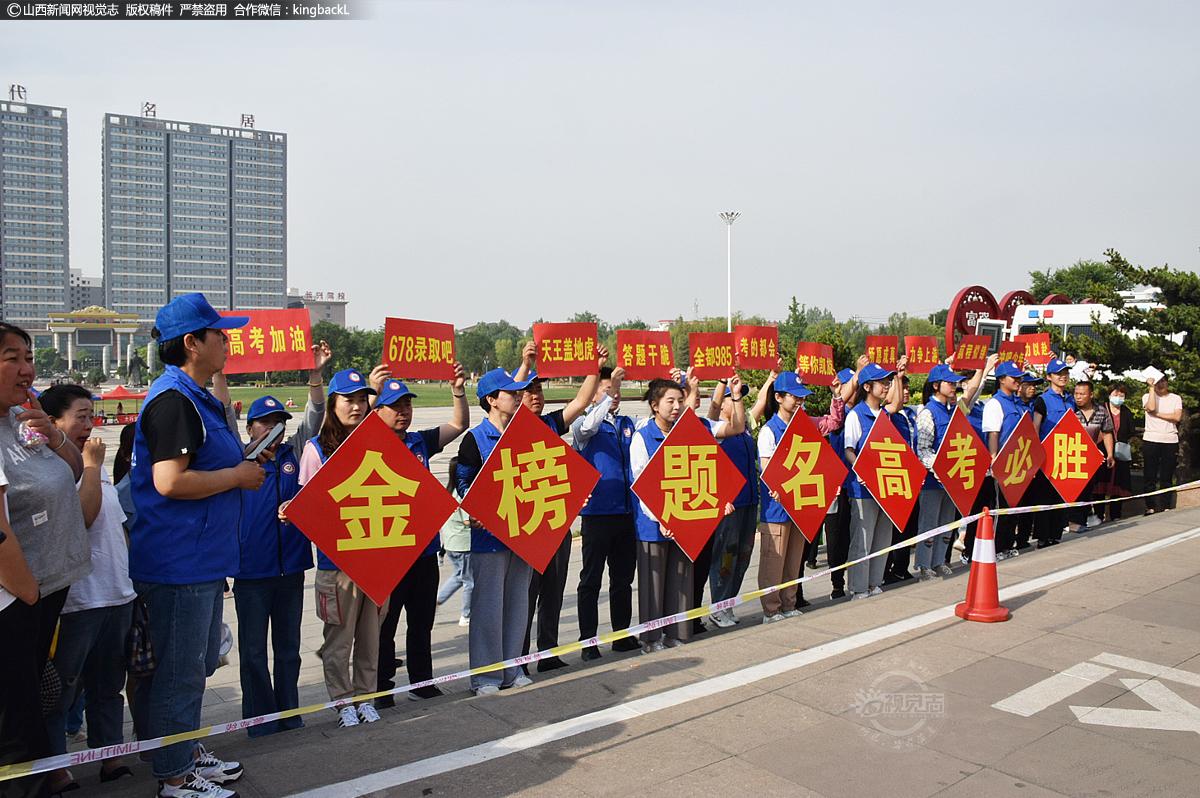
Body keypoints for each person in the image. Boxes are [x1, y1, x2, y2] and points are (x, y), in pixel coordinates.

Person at [129, 294, 263, 798]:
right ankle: (174, 774)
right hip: (178, 560)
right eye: (219, 334)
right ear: (192, 343)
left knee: (198, 663)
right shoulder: (174, 401)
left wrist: (239, 465)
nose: (227, 341)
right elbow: (168, 482)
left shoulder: (196, 396)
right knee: (182, 671)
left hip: (200, 557)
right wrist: (236, 474)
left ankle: (179, 750)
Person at [211, 342, 331, 738]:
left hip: (291, 568)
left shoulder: (294, 452)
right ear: (250, 428)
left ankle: (288, 714)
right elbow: (224, 410)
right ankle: (259, 720)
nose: (274, 428)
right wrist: (219, 371)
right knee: (252, 653)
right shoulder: (236, 459)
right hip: (250, 572)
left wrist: (315, 375)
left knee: (288, 650)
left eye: (279, 421)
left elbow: (315, 417)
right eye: (265, 422)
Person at [41, 384, 137, 789]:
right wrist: (91, 466)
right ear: (53, 424)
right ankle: (55, 767)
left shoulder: (88, 466)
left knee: (108, 688)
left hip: (117, 596)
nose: (88, 424)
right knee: (61, 693)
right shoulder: (56, 471)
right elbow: (84, 517)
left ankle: (109, 756)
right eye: (79, 416)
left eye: (89, 414)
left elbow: (117, 532)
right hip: (78, 602)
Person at [370, 364, 469, 705]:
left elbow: (458, 424)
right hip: (388, 552)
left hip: (425, 551)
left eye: (407, 405)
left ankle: (422, 681)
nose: (404, 412)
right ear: (378, 409)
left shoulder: (419, 442)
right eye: (395, 406)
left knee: (421, 623)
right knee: (385, 627)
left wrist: (457, 390)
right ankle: (382, 688)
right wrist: (370, 393)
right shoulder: (368, 442)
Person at [0, 324, 71, 798]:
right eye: (12, 358)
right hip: (14, 599)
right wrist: (27, 593)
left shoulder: (20, 417)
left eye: (28, 356)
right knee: (13, 727)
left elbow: (72, 471)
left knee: (28, 709)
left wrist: (54, 433)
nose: (27, 368)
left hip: (40, 591)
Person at [295, 369, 386, 728]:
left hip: (376, 558)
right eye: (349, 399)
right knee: (338, 639)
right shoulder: (316, 449)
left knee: (370, 637)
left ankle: (366, 696)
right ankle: (342, 700)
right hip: (337, 563)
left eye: (363, 399)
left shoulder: (377, 442)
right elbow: (308, 505)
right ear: (333, 404)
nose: (357, 406)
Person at [630, 372, 745, 651]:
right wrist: (660, 518)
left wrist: (719, 501)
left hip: (686, 520)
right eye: (670, 401)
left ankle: (675, 634)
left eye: (680, 400)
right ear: (655, 405)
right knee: (654, 585)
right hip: (654, 525)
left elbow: (707, 468)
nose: (677, 406)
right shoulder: (642, 437)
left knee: (680, 582)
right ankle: (651, 638)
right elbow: (641, 483)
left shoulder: (692, 431)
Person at [512, 343, 603, 673]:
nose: (535, 395)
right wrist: (525, 364)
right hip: (527, 525)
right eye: (528, 390)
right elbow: (512, 392)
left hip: (556, 521)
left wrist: (594, 366)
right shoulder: (512, 426)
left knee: (553, 591)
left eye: (539, 389)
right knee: (525, 596)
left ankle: (547, 651)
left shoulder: (550, 424)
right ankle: (518, 660)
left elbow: (580, 402)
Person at [456, 367, 535, 696]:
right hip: (489, 539)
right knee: (488, 608)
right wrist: (474, 507)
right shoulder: (475, 438)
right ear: (491, 400)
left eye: (519, 392)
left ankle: (512, 669)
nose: (518, 397)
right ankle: (486, 678)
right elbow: (463, 482)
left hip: (526, 533)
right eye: (510, 393)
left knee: (518, 604)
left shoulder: (526, 432)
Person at [756, 371, 844, 620]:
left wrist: (837, 395)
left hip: (802, 505)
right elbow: (767, 470)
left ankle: (788, 605)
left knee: (794, 561)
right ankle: (771, 610)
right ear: (779, 397)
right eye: (794, 397)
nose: (799, 402)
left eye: (801, 398)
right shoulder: (769, 430)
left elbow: (833, 423)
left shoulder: (805, 425)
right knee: (774, 562)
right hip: (777, 509)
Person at [571, 366, 642, 659]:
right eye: (607, 388)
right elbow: (590, 425)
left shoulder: (629, 423)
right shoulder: (582, 425)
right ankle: (588, 642)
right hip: (597, 515)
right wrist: (606, 392)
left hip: (626, 515)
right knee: (591, 579)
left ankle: (622, 635)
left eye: (616, 387)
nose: (614, 392)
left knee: (623, 579)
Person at [702, 372, 768, 628]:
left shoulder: (743, 431)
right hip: (729, 505)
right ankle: (718, 607)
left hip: (749, 502)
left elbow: (759, 405)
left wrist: (771, 377)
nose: (738, 402)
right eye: (733, 398)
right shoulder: (714, 430)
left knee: (743, 556)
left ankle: (728, 604)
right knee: (725, 558)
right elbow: (713, 408)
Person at [842, 360, 906, 599]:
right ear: (867, 387)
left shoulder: (885, 414)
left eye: (888, 382)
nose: (886, 386)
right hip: (864, 489)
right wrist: (861, 470)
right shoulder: (856, 415)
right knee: (863, 539)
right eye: (882, 383)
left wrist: (899, 376)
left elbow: (896, 403)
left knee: (882, 538)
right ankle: (858, 586)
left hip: (887, 486)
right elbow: (850, 450)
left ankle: (874, 582)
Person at [913, 364, 967, 580]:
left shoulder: (953, 411)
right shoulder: (928, 412)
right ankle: (924, 565)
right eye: (949, 383)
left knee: (947, 523)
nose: (954, 386)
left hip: (952, 478)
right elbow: (923, 449)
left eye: (955, 383)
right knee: (929, 524)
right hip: (933, 480)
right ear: (936, 386)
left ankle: (940, 561)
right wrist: (939, 467)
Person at [982, 360, 1029, 560]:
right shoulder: (995, 403)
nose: (1018, 381)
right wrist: (993, 459)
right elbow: (993, 433)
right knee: (1000, 508)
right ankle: (997, 547)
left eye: (1020, 377)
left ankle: (1007, 545)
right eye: (1014, 377)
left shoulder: (1017, 403)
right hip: (1002, 464)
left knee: (1013, 508)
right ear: (1001, 380)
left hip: (1017, 464)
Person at [1068, 381, 1115, 531]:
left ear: (1091, 395)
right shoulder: (1071, 409)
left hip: (1090, 458)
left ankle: (1080, 522)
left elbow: (1107, 433)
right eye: (1076, 394)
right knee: (1072, 490)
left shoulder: (1101, 411)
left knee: (1087, 490)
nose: (1078, 397)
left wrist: (1110, 454)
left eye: (1082, 394)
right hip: (1070, 456)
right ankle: (1070, 522)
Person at [436, 458, 473, 627]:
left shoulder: (448, 490)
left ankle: (438, 599)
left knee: (459, 576)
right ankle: (466, 615)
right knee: (469, 581)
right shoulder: (461, 492)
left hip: (450, 542)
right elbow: (467, 520)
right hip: (463, 544)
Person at [1142, 373, 1182, 515]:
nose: (1161, 384)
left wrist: (1157, 414)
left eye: (1163, 381)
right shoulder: (1147, 396)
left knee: (1167, 475)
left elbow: (1177, 416)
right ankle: (1150, 506)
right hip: (1151, 439)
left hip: (1170, 440)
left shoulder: (1175, 398)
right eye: (1158, 382)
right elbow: (1151, 407)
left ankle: (1166, 505)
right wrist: (1151, 388)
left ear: (1167, 383)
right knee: (1150, 475)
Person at [1094, 383, 1134, 521]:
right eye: (1116, 395)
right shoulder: (1101, 409)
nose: (1118, 398)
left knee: (1118, 485)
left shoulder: (1127, 412)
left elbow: (1131, 431)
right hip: (1102, 450)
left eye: (1121, 395)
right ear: (1110, 395)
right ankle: (1098, 515)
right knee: (1100, 483)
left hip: (1119, 453)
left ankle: (1116, 514)